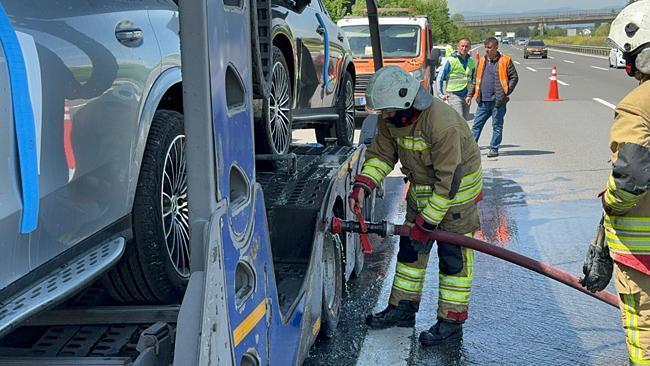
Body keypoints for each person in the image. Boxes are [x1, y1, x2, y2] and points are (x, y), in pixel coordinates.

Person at [348, 65, 483, 345]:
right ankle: (402, 309)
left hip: (456, 204)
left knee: (453, 262)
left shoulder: (442, 124)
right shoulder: (392, 119)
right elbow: (382, 156)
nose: (383, 117)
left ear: (406, 102)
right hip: (421, 197)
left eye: (387, 111)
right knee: (410, 255)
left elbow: (449, 183)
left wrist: (427, 223)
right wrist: (363, 186)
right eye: (381, 112)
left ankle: (450, 323)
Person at [580, 1, 650, 364]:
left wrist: (611, 204)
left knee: (644, 327)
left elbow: (632, 177)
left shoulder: (638, 104)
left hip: (643, 254)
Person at [467, 37, 518, 158]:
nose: (487, 50)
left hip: (498, 101)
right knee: (476, 126)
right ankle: (471, 149)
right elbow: (475, 80)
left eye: (489, 48)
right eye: (486, 47)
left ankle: (494, 148)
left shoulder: (505, 60)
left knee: (497, 126)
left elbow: (514, 77)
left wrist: (506, 91)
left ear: (496, 48)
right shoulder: (482, 61)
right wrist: (470, 94)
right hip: (483, 101)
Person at [436, 38, 476, 121]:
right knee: (459, 120)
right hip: (454, 95)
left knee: (464, 122)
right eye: (462, 46)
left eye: (466, 46)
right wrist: (441, 94)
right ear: (458, 47)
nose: (464, 48)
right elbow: (439, 77)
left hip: (466, 96)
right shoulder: (451, 60)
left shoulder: (471, 61)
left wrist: (470, 95)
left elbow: (473, 80)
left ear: (469, 48)